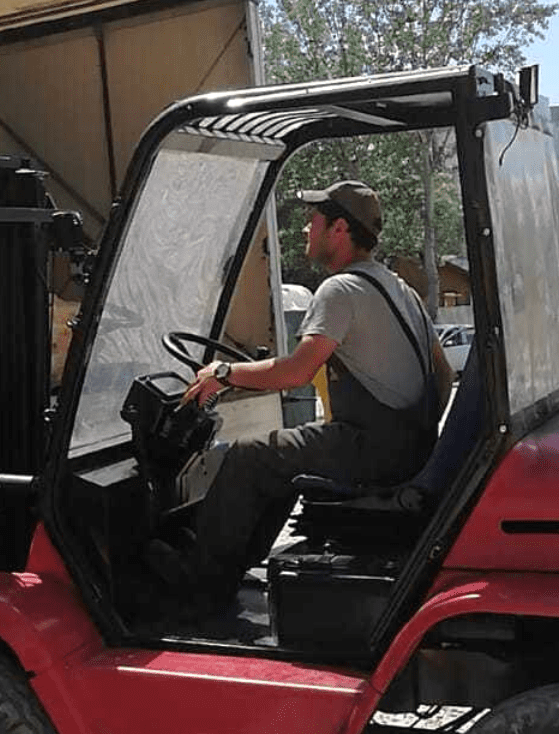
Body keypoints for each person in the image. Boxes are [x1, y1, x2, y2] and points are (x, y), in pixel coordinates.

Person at [158, 180, 454, 603]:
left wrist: (222, 373)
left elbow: (296, 372)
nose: (305, 229)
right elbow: (443, 375)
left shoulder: (341, 289)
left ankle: (200, 583)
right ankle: (234, 564)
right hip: (411, 447)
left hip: (372, 448)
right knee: (283, 461)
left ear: (339, 229)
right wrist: (413, 432)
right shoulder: (400, 289)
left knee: (247, 456)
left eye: (314, 220)